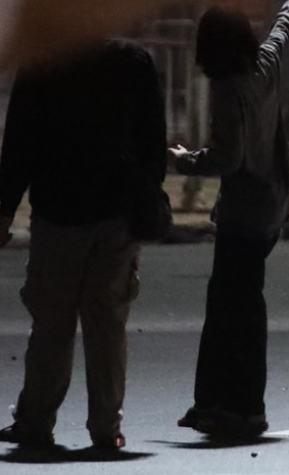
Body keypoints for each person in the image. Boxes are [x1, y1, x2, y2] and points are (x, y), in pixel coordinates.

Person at [0, 38, 167, 451]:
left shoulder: (43, 59)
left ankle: (36, 423)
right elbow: (153, 140)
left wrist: (4, 211)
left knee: (52, 326)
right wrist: (145, 196)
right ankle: (106, 429)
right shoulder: (133, 61)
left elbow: (19, 144)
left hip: (59, 213)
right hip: (117, 214)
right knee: (107, 324)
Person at [169, 0, 289, 439]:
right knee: (241, 310)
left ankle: (236, 407)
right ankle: (222, 404)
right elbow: (282, 32)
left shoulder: (228, 90)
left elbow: (228, 158)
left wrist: (184, 159)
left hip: (244, 215)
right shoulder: (265, 65)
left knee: (230, 314)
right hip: (271, 208)